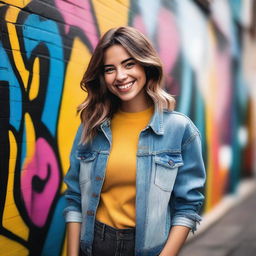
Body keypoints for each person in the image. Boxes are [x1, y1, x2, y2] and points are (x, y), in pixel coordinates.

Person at [63, 26, 206, 256]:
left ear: (145, 65)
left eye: (129, 64)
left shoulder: (180, 130)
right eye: (110, 69)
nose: (120, 76)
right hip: (94, 245)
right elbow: (74, 198)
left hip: (149, 249)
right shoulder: (91, 128)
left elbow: (188, 207)